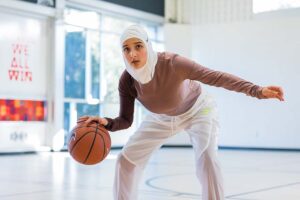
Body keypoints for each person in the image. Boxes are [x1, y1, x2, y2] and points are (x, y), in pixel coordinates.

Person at [79, 25, 284, 200]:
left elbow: (216, 77)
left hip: (198, 109)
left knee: (207, 158)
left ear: (148, 45)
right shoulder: (127, 81)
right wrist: (106, 122)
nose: (132, 54)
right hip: (161, 118)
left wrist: (257, 90)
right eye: (126, 49)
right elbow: (125, 119)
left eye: (138, 46)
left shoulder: (173, 63)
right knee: (126, 159)